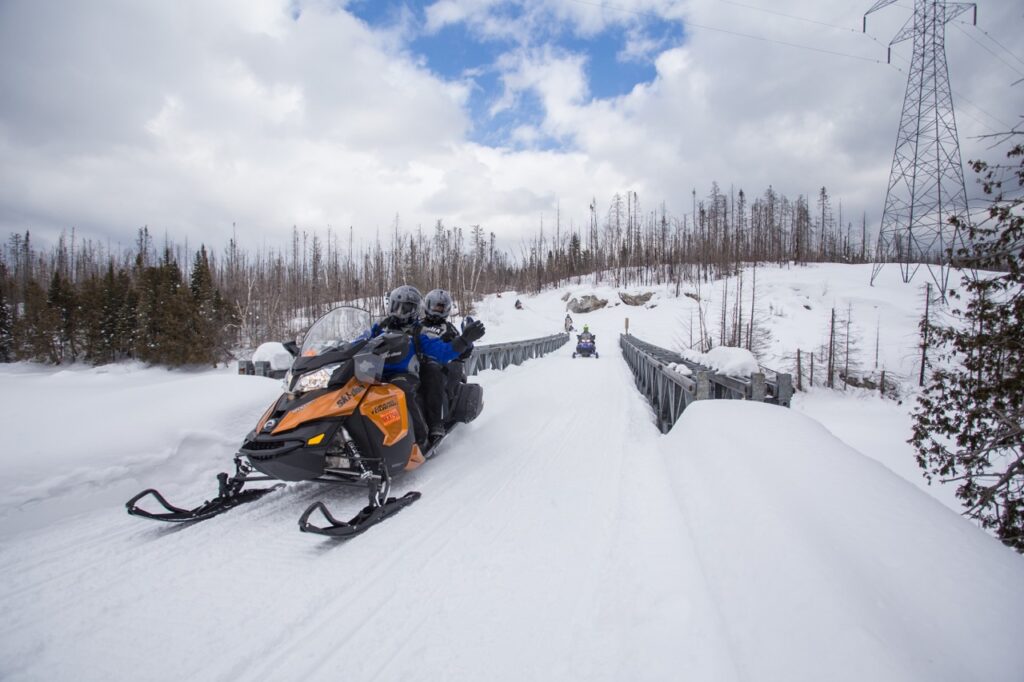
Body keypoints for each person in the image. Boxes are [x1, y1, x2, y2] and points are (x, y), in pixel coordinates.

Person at [361, 285, 485, 449]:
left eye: (405, 308)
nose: (399, 311)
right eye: (396, 306)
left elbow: (443, 351)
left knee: (417, 380)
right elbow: (361, 340)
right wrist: (339, 349)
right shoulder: (381, 326)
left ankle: (425, 433)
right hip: (376, 370)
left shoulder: (420, 330)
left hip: (408, 371)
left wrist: (465, 340)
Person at [419, 289, 475, 441]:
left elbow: (463, 350)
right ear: (427, 305)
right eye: (435, 306)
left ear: (447, 309)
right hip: (416, 363)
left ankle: (436, 422)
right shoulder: (416, 325)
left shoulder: (449, 329)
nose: (437, 310)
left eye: (441, 307)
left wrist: (467, 340)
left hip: (441, 367)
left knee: (434, 373)